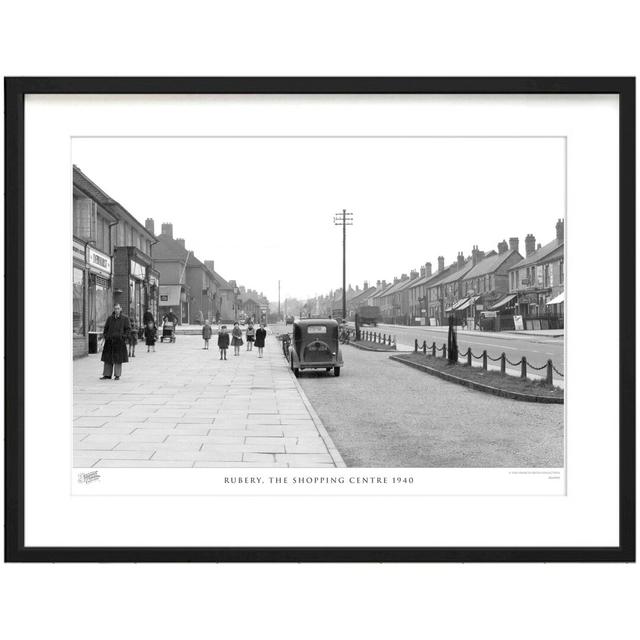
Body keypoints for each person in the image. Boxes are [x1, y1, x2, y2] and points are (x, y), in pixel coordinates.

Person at [100, 304, 130, 380]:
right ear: (114, 309)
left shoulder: (125, 319)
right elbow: (106, 329)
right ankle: (107, 375)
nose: (116, 310)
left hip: (119, 342)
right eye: (115, 308)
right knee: (107, 359)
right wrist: (106, 336)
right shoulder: (110, 318)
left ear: (120, 309)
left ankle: (117, 375)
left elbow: (128, 329)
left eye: (118, 308)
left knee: (118, 359)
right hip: (109, 341)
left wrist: (123, 337)